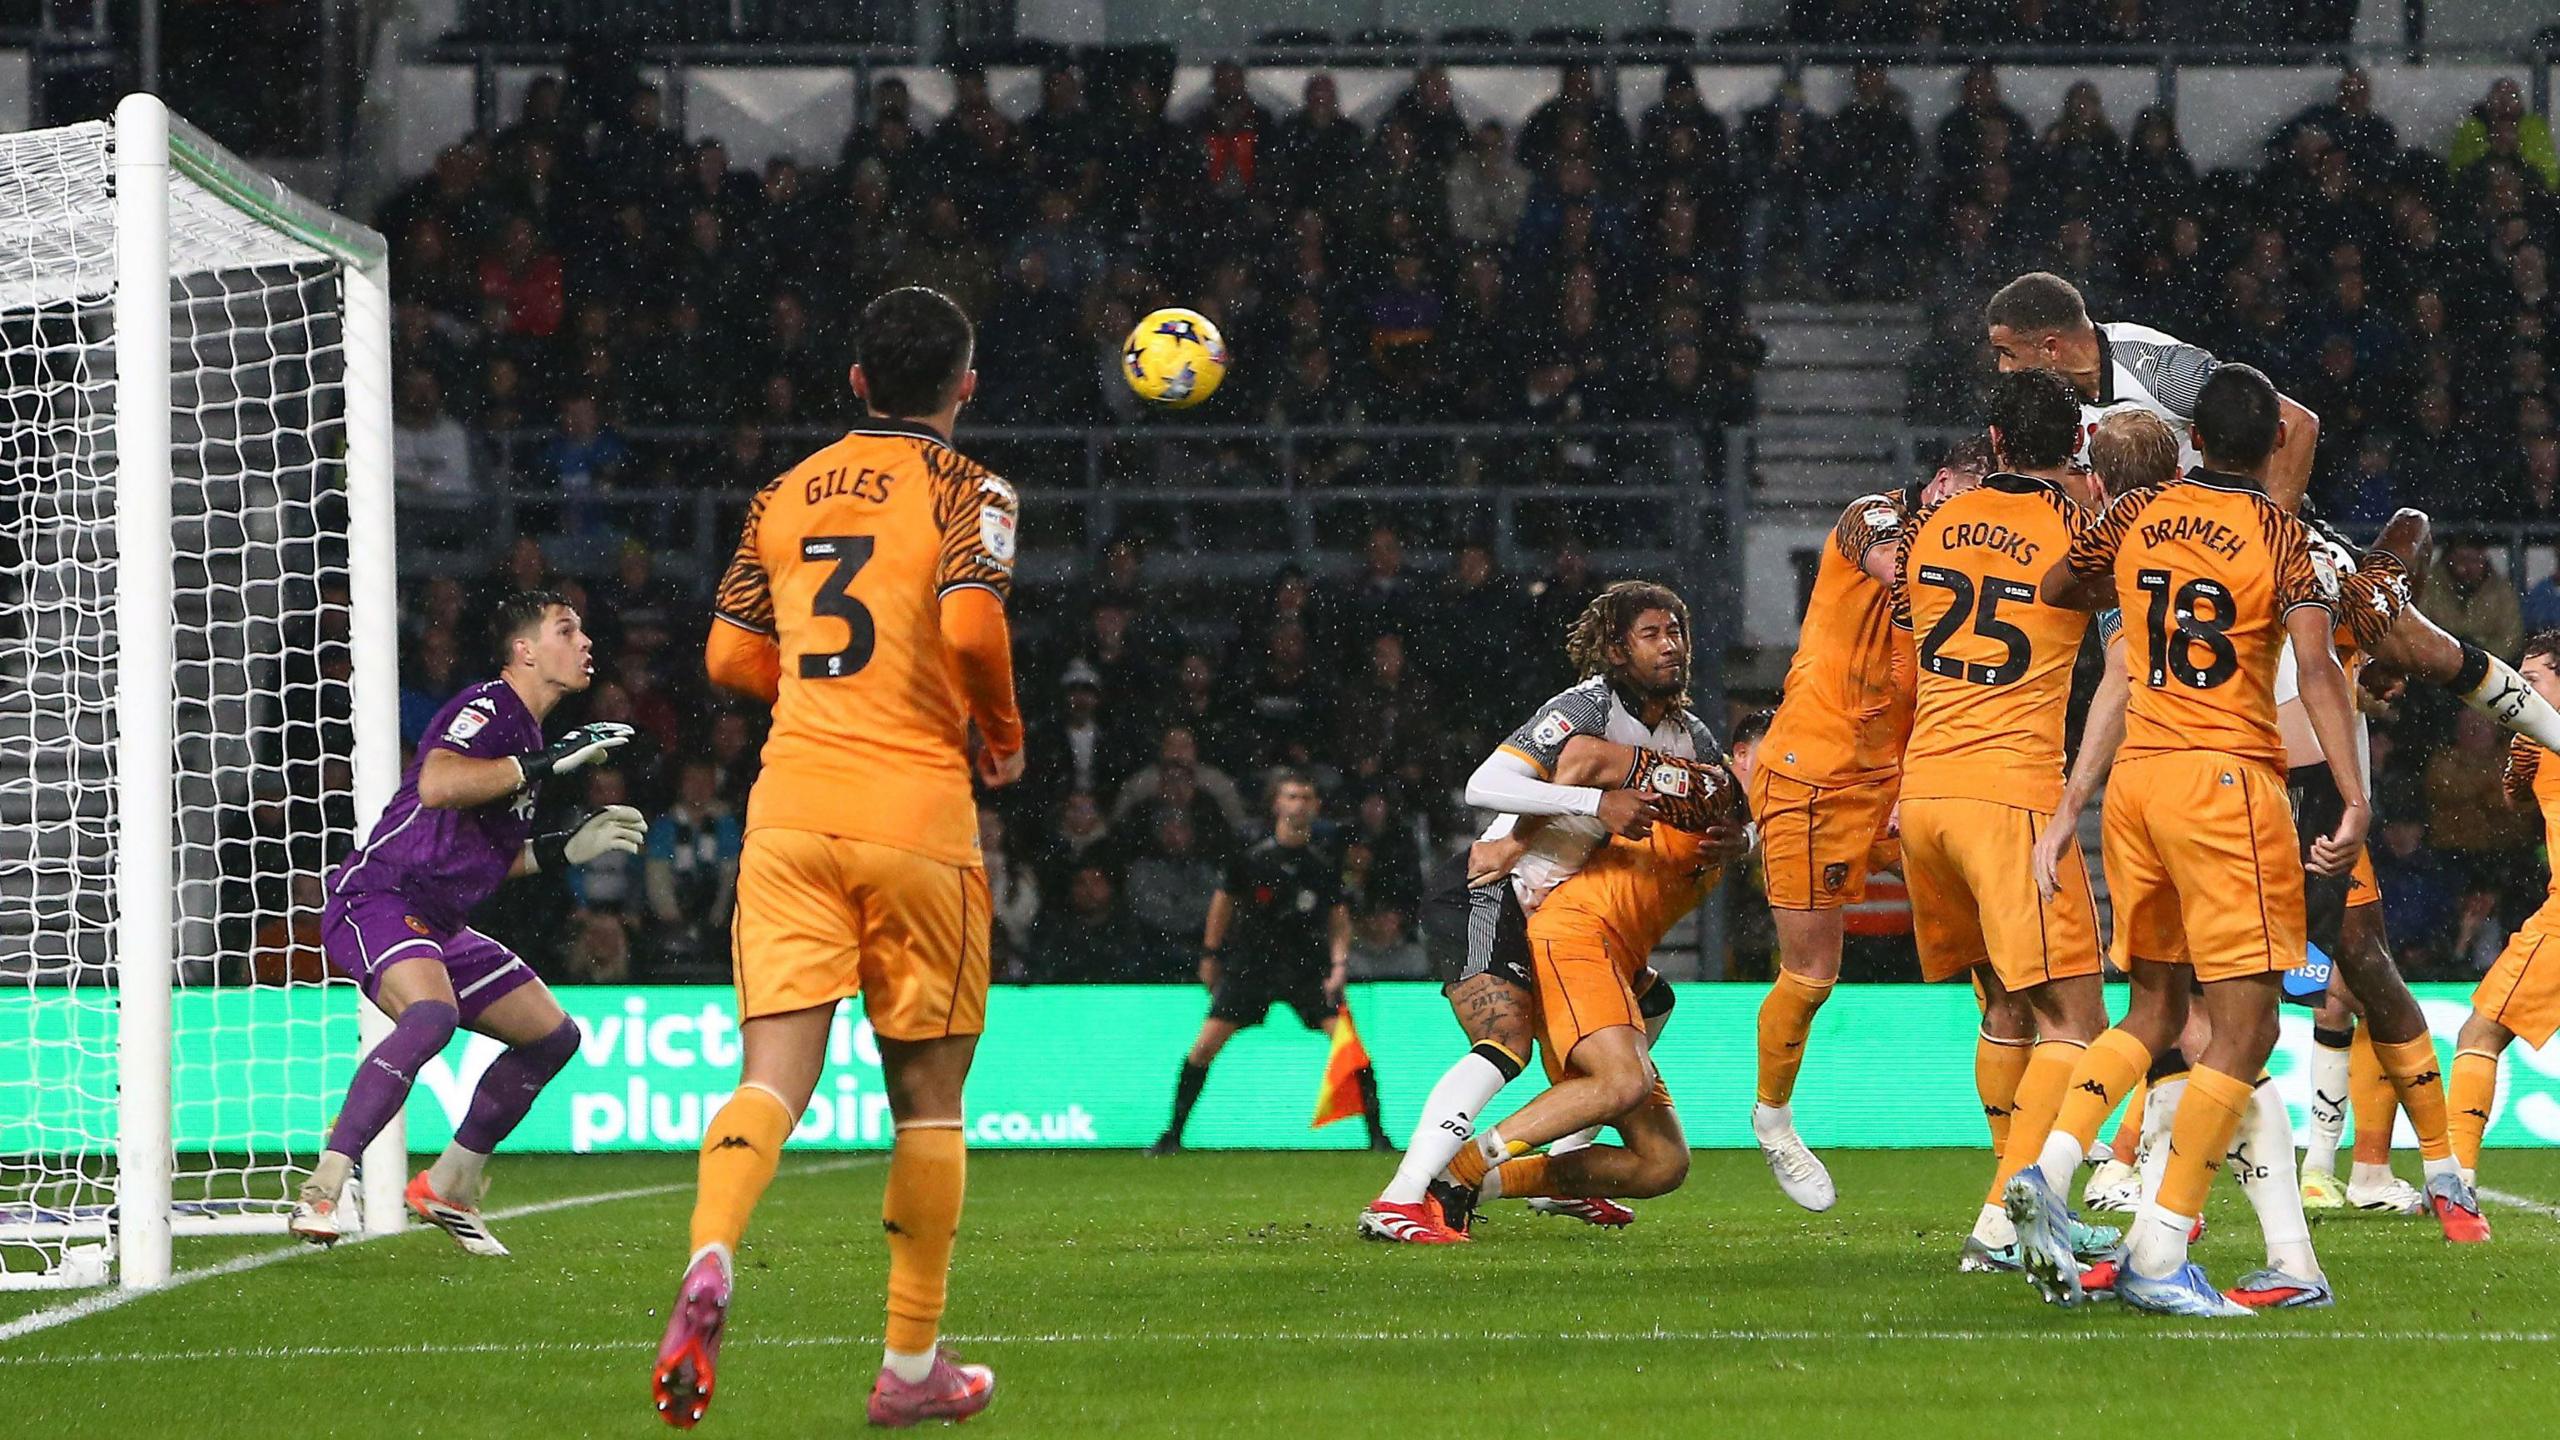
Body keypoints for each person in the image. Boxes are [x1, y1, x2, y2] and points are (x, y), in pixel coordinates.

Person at [656, 287, 1023, 1429]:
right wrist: (1001, 731)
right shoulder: (972, 489)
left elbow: (728, 657)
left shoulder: (782, 493)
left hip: (790, 813)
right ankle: (911, 1367)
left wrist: (822, 695)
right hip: (915, 818)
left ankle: (713, 1249)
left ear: (858, 382)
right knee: (928, 1102)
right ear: (964, 387)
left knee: (769, 1078)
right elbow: (970, 627)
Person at [2016, 364, 2369, 1317]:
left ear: (2196, 439)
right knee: (2248, 1029)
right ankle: (2163, 1251)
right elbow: (2317, 670)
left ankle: (2049, 1170)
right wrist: (2353, 798)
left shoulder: (2137, 513)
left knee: (2157, 1009)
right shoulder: (2283, 538)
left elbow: (2058, 584)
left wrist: (2135, 585)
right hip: (2226, 785)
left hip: (2139, 784)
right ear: (2273, 445)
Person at [1989, 271, 2560, 760]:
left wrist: (2263, 545)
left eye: (2007, 353)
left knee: (2419, 650)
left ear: (2051, 346)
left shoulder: (2154, 366)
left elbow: (2297, 425)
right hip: (2156, 567)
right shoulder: (2047, 404)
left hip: (2237, 548)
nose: (2002, 368)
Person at [1359, 582, 1736, 1244]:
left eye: (1676, 631)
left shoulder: (1690, 735)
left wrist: (1742, 840)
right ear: (1616, 649)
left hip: (1554, 911)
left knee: (1653, 1001)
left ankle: (1565, 1169)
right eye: (1650, 634)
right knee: (1506, 1043)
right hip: (1490, 889)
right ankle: (1400, 1198)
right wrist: (1595, 805)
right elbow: (1484, 784)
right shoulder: (1586, 706)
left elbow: (1728, 806)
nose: (1670, 645)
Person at [291, 592, 644, 1255]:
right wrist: (545, 763)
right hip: (380, 896)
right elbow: (437, 784)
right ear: (525, 651)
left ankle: (449, 1184)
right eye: (566, 629)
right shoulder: (489, 707)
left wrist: (563, 848)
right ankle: (326, 1182)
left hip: (440, 921)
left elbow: (481, 856)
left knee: (553, 1037)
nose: (585, 642)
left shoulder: (527, 737)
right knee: (432, 1016)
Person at [1888, 371, 2119, 1275]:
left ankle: (2015, 1208)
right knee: (2079, 1020)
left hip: (1927, 791)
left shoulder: (1936, 524)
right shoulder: (2079, 530)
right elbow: (2119, 641)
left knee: (2006, 1006)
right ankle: (2003, 1221)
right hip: (2009, 793)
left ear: (1991, 442)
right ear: (2076, 444)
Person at [1745, 440, 1989, 1212]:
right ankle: (1773, 1121)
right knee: (1813, 975)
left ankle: (2028, 1138)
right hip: (1812, 778)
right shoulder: (1872, 517)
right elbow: (1897, 565)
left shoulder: (1967, 568)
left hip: (1899, 784)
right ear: (1940, 482)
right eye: (1970, 497)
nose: (1978, 517)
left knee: (1991, 939)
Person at [1150, 773, 1383, 1155]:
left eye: (1306, 797)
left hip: (1306, 967)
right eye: (1292, 796)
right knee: (1205, 1047)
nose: (1299, 804)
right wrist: (1210, 954)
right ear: (1277, 804)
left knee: (1350, 1046)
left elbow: (1338, 919)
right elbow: (1223, 904)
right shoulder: (1252, 857)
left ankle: (1377, 1137)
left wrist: (1339, 964)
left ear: (1316, 806)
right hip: (1252, 964)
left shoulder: (1322, 863)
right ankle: (1172, 1135)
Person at [2450, 634, 2560, 1186]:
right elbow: (2517, 801)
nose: (2522, 692)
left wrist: (2521, 769)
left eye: (2533, 681)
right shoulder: (2536, 745)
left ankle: (2455, 1182)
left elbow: (2514, 800)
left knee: (2481, 1033)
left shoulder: (2542, 742)